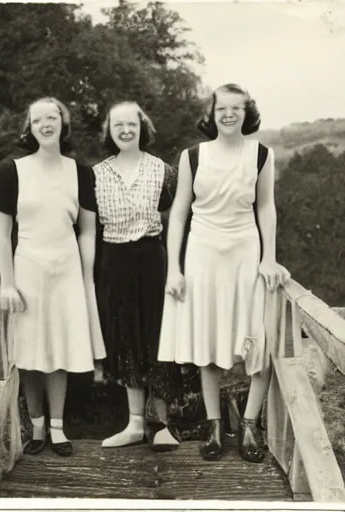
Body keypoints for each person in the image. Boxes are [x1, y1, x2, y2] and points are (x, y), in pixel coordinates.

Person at [158, 83, 290, 463]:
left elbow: (266, 208)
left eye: (237, 108)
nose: (229, 114)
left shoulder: (262, 154)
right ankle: (215, 427)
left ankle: (250, 425)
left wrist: (269, 258)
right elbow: (179, 212)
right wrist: (175, 269)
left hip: (246, 252)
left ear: (247, 114)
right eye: (222, 109)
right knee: (210, 345)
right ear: (211, 114)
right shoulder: (193, 156)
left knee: (257, 341)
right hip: (203, 254)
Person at [0, 97, 106, 457]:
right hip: (28, 269)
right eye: (37, 120)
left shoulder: (81, 172)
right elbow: (1, 234)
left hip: (67, 269)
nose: (45, 124)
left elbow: (87, 230)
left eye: (51, 117)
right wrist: (7, 283)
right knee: (31, 351)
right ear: (30, 127)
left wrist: (85, 276)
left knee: (60, 350)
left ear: (62, 123)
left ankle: (58, 428)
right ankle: (36, 426)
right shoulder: (12, 170)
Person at [81, 100, 194, 451]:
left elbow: (185, 216)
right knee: (124, 336)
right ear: (109, 132)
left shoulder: (164, 171)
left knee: (159, 335)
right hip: (113, 261)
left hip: (152, 258)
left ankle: (160, 425)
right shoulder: (95, 175)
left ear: (142, 127)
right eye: (119, 125)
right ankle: (133, 424)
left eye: (132, 124)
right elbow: (81, 225)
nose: (126, 130)